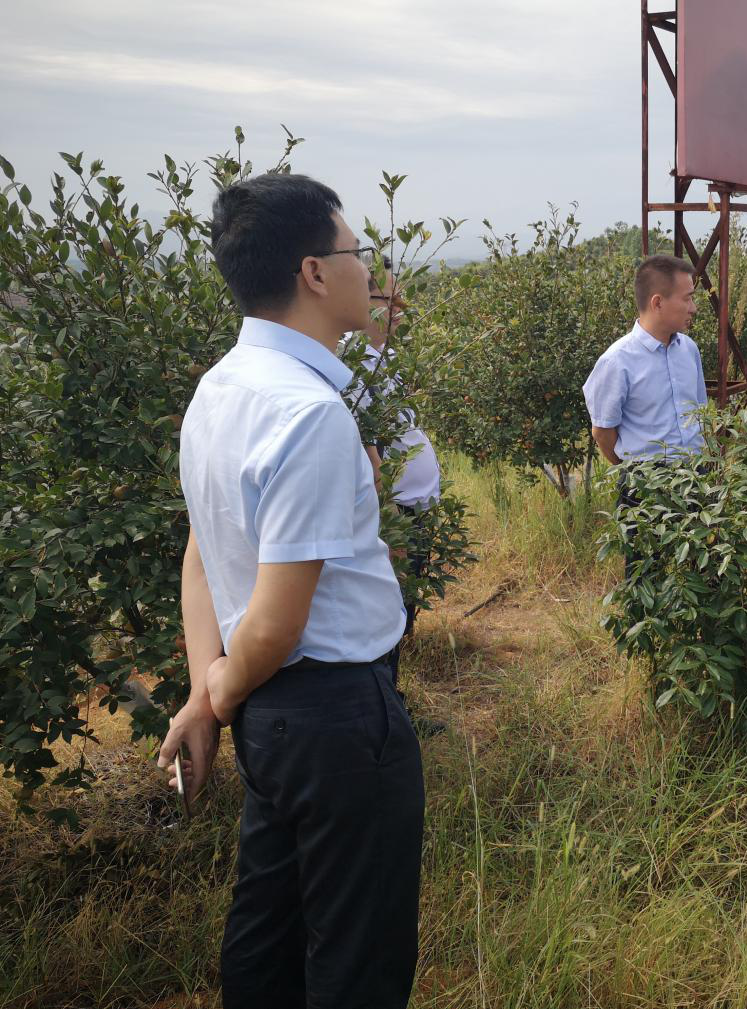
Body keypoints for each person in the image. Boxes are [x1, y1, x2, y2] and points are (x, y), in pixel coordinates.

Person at [156, 173, 424, 1008]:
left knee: (266, 935)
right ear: (314, 271)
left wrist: (207, 695)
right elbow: (273, 624)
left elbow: (201, 558)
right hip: (335, 716)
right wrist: (225, 690)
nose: (367, 274)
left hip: (275, 724)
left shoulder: (217, 391)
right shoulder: (307, 413)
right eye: (356, 254)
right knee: (355, 957)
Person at [349, 259, 442, 684]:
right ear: (365, 301)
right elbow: (366, 454)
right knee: (385, 616)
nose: (401, 309)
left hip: (410, 512)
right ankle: (388, 711)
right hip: (393, 517)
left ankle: (396, 704)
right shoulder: (352, 369)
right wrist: (387, 526)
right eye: (393, 300)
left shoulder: (384, 361)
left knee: (400, 613)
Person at [582, 254, 705, 572]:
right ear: (657, 302)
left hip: (696, 480)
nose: (693, 308)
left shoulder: (689, 350)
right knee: (646, 576)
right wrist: (634, 472)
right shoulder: (617, 361)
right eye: (687, 298)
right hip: (645, 487)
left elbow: (701, 417)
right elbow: (603, 432)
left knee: (702, 575)